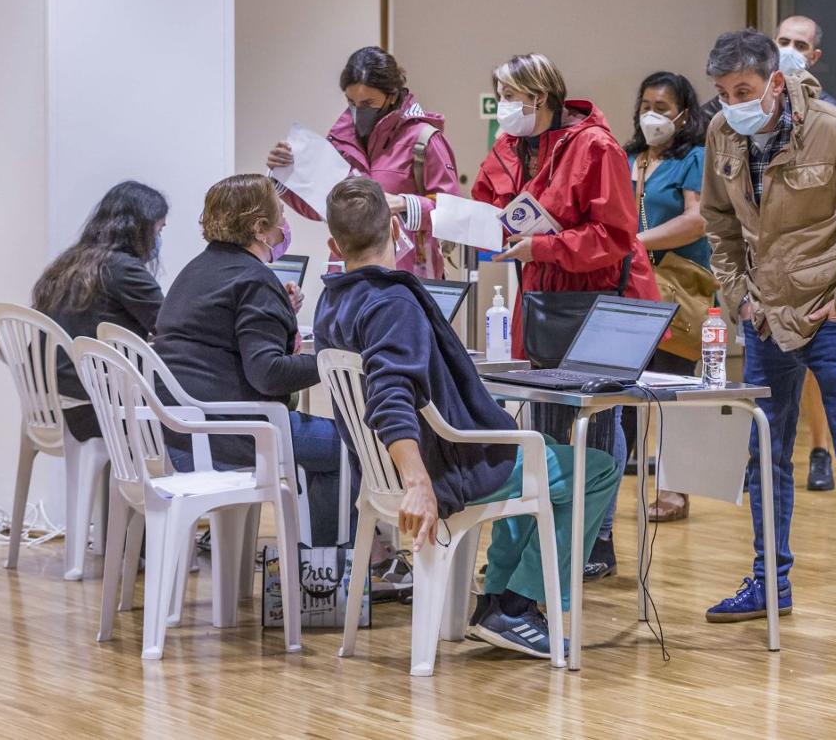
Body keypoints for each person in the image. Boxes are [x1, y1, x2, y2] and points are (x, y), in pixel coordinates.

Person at [313, 176, 622, 658]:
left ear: (334, 244)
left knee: (525, 449)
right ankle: (518, 604)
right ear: (397, 231)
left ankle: (498, 600)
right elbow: (389, 394)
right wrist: (417, 482)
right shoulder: (392, 302)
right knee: (595, 466)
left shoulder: (331, 301)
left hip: (383, 475)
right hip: (445, 470)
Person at [699, 29, 836, 635]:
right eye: (722, 91)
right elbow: (718, 223)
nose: (732, 102)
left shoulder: (835, 131)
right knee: (766, 456)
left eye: (744, 89)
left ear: (776, 83)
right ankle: (769, 582)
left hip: (832, 316)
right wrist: (740, 296)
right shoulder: (721, 134)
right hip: (766, 319)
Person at [472, 53, 660, 581]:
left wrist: (544, 248)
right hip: (543, 299)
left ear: (541, 97)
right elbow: (488, 204)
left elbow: (616, 237)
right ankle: (550, 541)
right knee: (549, 422)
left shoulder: (595, 147)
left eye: (512, 97)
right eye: (500, 95)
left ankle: (590, 539)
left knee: (594, 423)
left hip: (597, 300)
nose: (505, 107)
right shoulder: (511, 146)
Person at [155, 174, 348, 546]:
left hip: (182, 433)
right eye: (279, 218)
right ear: (260, 228)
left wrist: (279, 313)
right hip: (232, 434)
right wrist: (335, 359)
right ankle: (329, 573)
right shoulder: (254, 280)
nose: (284, 227)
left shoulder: (196, 271)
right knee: (352, 446)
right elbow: (269, 374)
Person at [267, 46, 460, 279]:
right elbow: (323, 206)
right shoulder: (340, 138)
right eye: (351, 102)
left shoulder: (424, 140)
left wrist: (403, 203)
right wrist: (283, 176)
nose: (359, 111)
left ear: (392, 95)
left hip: (407, 275)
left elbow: (453, 214)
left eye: (368, 103)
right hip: (347, 272)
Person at [618, 71, 710, 523]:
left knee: (674, 388)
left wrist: (638, 240)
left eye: (663, 107)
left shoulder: (692, 157)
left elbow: (697, 220)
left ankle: (675, 490)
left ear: (684, 114)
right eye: (646, 105)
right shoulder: (627, 156)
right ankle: (608, 482)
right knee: (622, 392)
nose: (652, 115)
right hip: (628, 286)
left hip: (675, 285)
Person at [33, 181, 168, 443]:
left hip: (53, 397)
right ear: (140, 228)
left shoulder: (69, 262)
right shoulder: (123, 269)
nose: (159, 239)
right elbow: (168, 326)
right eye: (159, 229)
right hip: (96, 404)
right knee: (193, 397)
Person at [775, 15, 836, 490]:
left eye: (800, 44)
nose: (790, 49)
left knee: (814, 368)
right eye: (782, 41)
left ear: (814, 56)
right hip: (767, 265)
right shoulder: (751, 109)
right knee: (767, 370)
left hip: (816, 262)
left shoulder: (831, 115)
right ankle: (766, 456)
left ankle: (820, 450)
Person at [775, 15, 836, 108]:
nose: (790, 51)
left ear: (814, 57)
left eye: (800, 46)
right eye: (784, 43)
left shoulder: (828, 110)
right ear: (772, 47)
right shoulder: (753, 94)